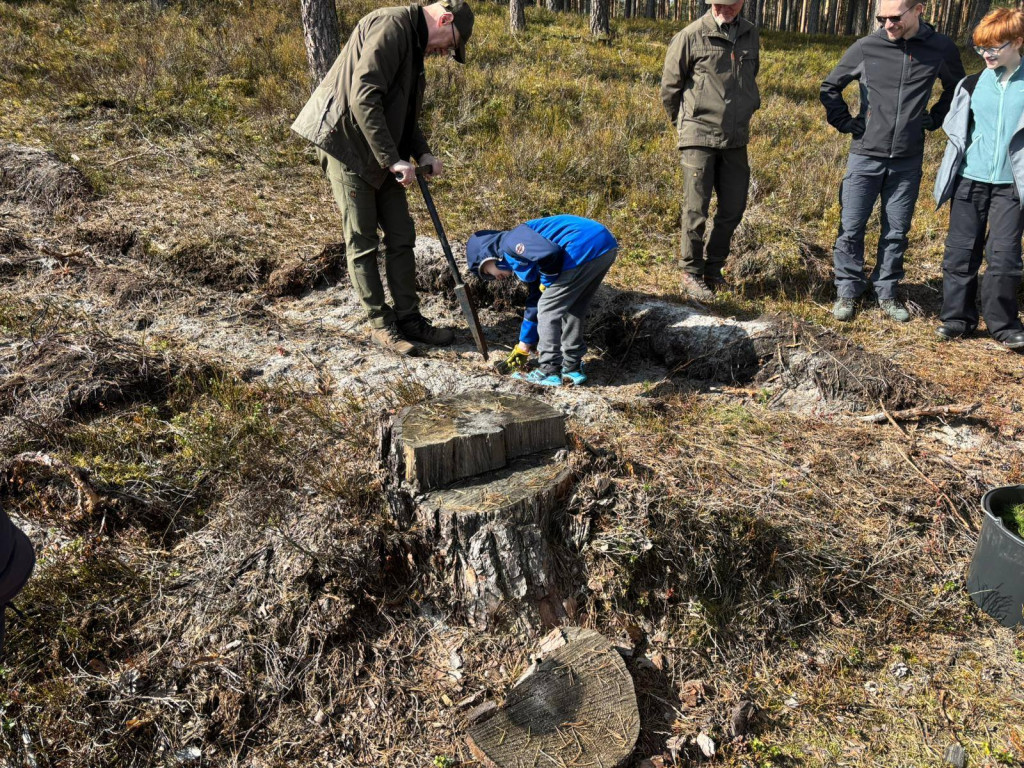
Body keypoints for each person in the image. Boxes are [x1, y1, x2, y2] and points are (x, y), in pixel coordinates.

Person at [291, 1, 474, 356]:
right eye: (451, 43)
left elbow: (402, 111)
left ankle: (409, 319)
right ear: (445, 18)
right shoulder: (391, 27)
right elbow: (363, 97)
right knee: (362, 239)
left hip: (377, 146)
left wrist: (422, 153)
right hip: (344, 142)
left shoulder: (414, 41)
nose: (446, 51)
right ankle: (381, 324)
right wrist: (393, 160)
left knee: (402, 234)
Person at [821, 1, 964, 323]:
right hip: (865, 156)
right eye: (882, 18)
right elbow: (831, 87)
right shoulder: (866, 47)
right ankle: (847, 291)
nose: (888, 24)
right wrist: (845, 121)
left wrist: (937, 117)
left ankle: (886, 292)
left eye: (895, 18)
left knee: (896, 231)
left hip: (907, 160)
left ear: (919, 10)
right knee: (851, 228)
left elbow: (956, 87)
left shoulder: (940, 48)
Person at [932, 9, 1024, 350]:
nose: (986, 54)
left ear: (1017, 42)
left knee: (1004, 256)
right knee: (960, 252)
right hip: (970, 181)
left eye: (994, 47)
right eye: (980, 47)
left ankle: (1003, 325)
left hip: (1011, 187)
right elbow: (958, 132)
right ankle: (957, 319)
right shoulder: (970, 83)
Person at [660, 0, 760, 302]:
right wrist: (686, 124)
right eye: (719, 4)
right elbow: (670, 88)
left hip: (735, 138)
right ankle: (690, 273)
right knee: (696, 209)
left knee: (733, 207)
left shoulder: (750, 34)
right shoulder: (690, 35)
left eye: (731, 4)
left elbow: (749, 78)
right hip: (698, 136)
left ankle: (713, 270)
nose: (724, 9)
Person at [466, 215, 618, 387]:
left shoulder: (510, 242)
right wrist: (525, 344)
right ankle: (571, 367)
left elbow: (550, 254)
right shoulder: (525, 255)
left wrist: (546, 282)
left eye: (486, 272)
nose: (494, 278)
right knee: (574, 307)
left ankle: (549, 370)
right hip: (604, 245)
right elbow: (534, 303)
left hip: (581, 247)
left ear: (487, 256)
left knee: (547, 309)